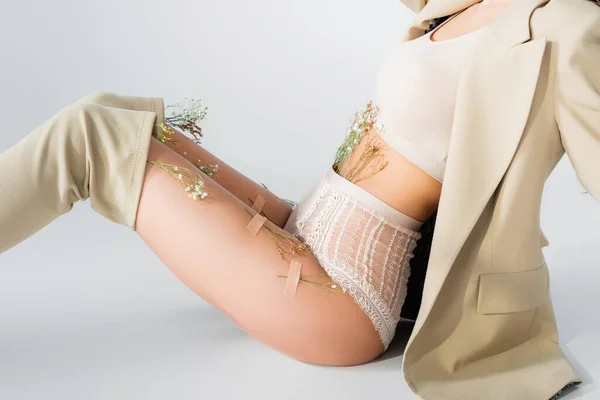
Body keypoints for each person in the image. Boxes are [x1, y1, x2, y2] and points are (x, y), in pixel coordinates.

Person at [0, 0, 598, 398]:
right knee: (109, 110)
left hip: (339, 293)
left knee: (91, 140)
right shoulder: (471, 1)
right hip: (302, 222)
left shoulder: (571, 22)